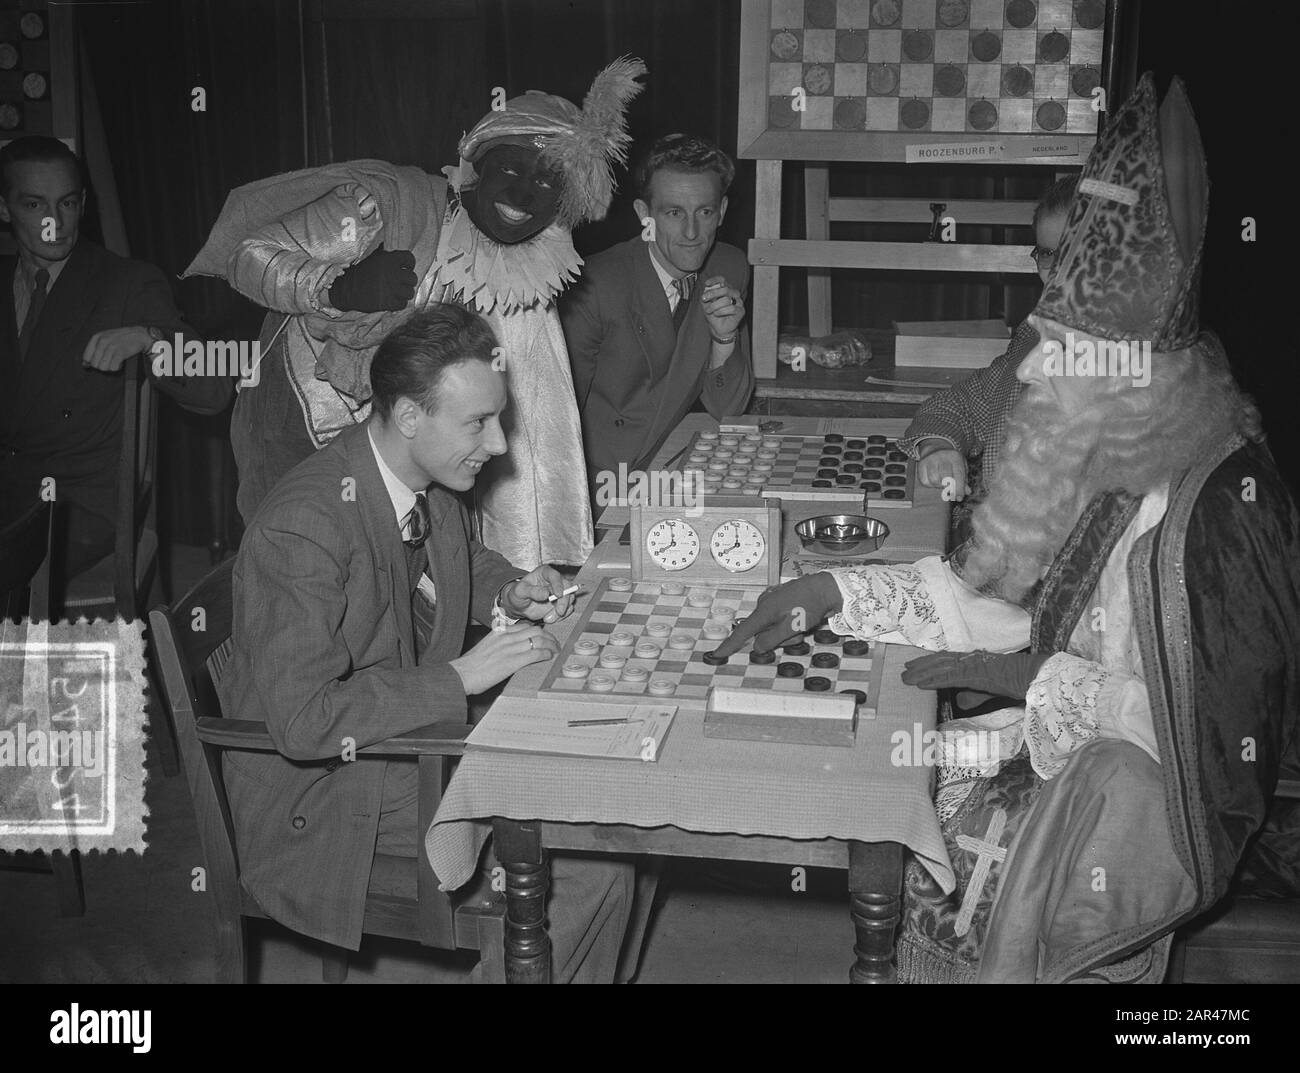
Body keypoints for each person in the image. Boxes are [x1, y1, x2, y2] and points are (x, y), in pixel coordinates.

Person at [711, 73, 1300, 983]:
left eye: (1062, 349)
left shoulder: (1218, 512)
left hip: (1142, 810)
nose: (1039, 369)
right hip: (1065, 745)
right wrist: (837, 591)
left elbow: (1201, 747)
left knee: (927, 820)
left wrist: (1025, 680)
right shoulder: (1105, 452)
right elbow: (1006, 604)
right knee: (885, 770)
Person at [217, 305, 638, 981]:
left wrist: (510, 592)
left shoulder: (426, 479)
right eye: (478, 422)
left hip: (397, 746)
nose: (499, 444)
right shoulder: (303, 524)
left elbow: (459, 564)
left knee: (605, 816)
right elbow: (303, 721)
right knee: (593, 855)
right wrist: (460, 679)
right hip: (321, 791)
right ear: (410, 415)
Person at [185, 58, 646, 571]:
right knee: (302, 568)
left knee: (395, 584)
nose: (521, 195)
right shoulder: (384, 207)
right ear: (476, 169)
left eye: (546, 183)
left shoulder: (532, 264)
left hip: (408, 445)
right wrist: (338, 287)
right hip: (303, 418)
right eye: (510, 169)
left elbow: (535, 412)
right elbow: (248, 255)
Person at [0, 136, 230, 585]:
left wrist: (150, 338)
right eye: (33, 205)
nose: (54, 223)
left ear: (83, 203)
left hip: (75, 504)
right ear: (4, 209)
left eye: (66, 203)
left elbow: (215, 388)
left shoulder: (125, 283)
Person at [561, 134, 754, 495]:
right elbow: (557, 422)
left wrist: (724, 339)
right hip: (596, 484)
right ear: (644, 216)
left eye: (705, 212)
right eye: (674, 213)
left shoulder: (729, 267)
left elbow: (729, 406)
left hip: (671, 465)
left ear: (722, 212)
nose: (692, 233)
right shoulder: (594, 285)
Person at [897, 175, 1077, 543]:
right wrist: (939, 447)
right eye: (1048, 253)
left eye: (1078, 252)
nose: (1059, 269)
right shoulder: (1034, 333)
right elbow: (958, 403)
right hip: (992, 549)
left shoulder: (1144, 366)